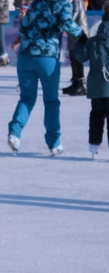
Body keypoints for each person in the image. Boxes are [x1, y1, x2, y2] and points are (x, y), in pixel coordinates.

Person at [7, 0, 86, 156]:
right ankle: (54, 143)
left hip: (25, 57)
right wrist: (82, 36)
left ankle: (14, 133)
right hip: (47, 57)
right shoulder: (61, 3)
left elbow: (23, 27)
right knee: (51, 100)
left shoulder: (36, 3)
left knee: (26, 99)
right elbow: (67, 22)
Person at [74, 2, 109, 158]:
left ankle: (94, 146)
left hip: (96, 87)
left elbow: (80, 56)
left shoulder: (93, 40)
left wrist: (80, 42)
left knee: (96, 115)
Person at [62, 0, 89, 96]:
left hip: (79, 30)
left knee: (77, 56)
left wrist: (66, 24)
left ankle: (81, 83)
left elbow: (75, 12)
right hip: (73, 30)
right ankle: (75, 81)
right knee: (72, 55)